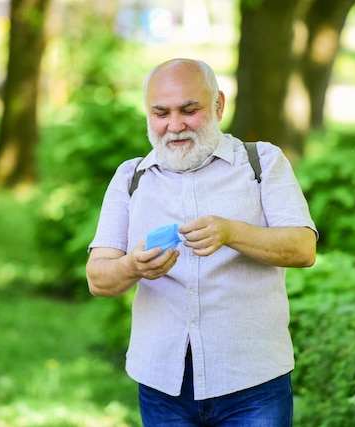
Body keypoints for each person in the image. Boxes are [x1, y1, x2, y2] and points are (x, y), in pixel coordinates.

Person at [86, 58, 318, 427]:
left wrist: (231, 232)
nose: (175, 126)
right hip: (163, 385)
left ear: (218, 105)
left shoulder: (262, 163)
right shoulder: (130, 178)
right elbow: (98, 279)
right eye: (160, 113)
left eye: (189, 110)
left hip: (253, 381)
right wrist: (133, 266)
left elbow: (303, 249)